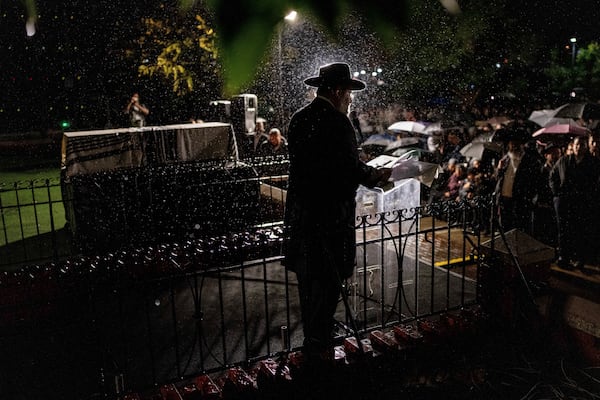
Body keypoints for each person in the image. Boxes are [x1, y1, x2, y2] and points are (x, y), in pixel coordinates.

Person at [283, 62, 390, 366]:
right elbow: (345, 168)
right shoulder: (337, 122)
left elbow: (311, 168)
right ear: (338, 91)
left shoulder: (299, 118)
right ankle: (321, 352)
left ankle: (313, 342)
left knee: (308, 285)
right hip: (330, 221)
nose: (351, 99)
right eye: (349, 93)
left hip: (303, 219)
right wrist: (377, 175)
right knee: (328, 287)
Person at [550, 136, 600, 270]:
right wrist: (557, 192)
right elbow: (553, 176)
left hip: (582, 203)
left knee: (580, 231)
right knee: (564, 231)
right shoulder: (564, 160)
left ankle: (579, 258)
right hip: (565, 202)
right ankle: (563, 257)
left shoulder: (593, 163)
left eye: (582, 145)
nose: (579, 147)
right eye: (577, 145)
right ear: (573, 145)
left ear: (586, 147)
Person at [494, 128, 543, 234]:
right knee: (505, 228)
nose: (514, 146)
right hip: (504, 200)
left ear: (522, 145)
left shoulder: (530, 161)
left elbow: (535, 182)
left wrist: (529, 198)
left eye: (517, 144)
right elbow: (498, 179)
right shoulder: (505, 160)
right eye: (512, 144)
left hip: (520, 201)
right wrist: (499, 169)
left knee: (520, 230)